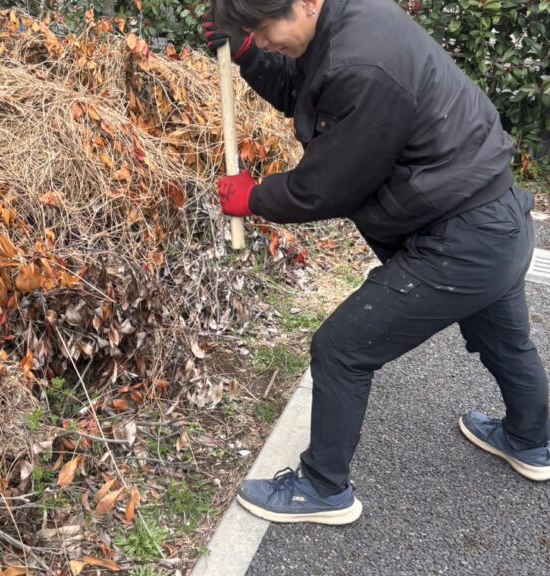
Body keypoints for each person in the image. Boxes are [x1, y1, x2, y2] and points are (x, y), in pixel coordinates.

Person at [204, 0, 550, 525]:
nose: (267, 39)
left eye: (265, 28)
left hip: (461, 239)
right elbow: (306, 94)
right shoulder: (346, 23)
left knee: (341, 348)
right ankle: (531, 441)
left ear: (306, 2)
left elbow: (330, 184)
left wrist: (255, 197)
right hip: (494, 217)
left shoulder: (360, 64)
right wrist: (251, 55)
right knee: (505, 342)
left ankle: (323, 488)